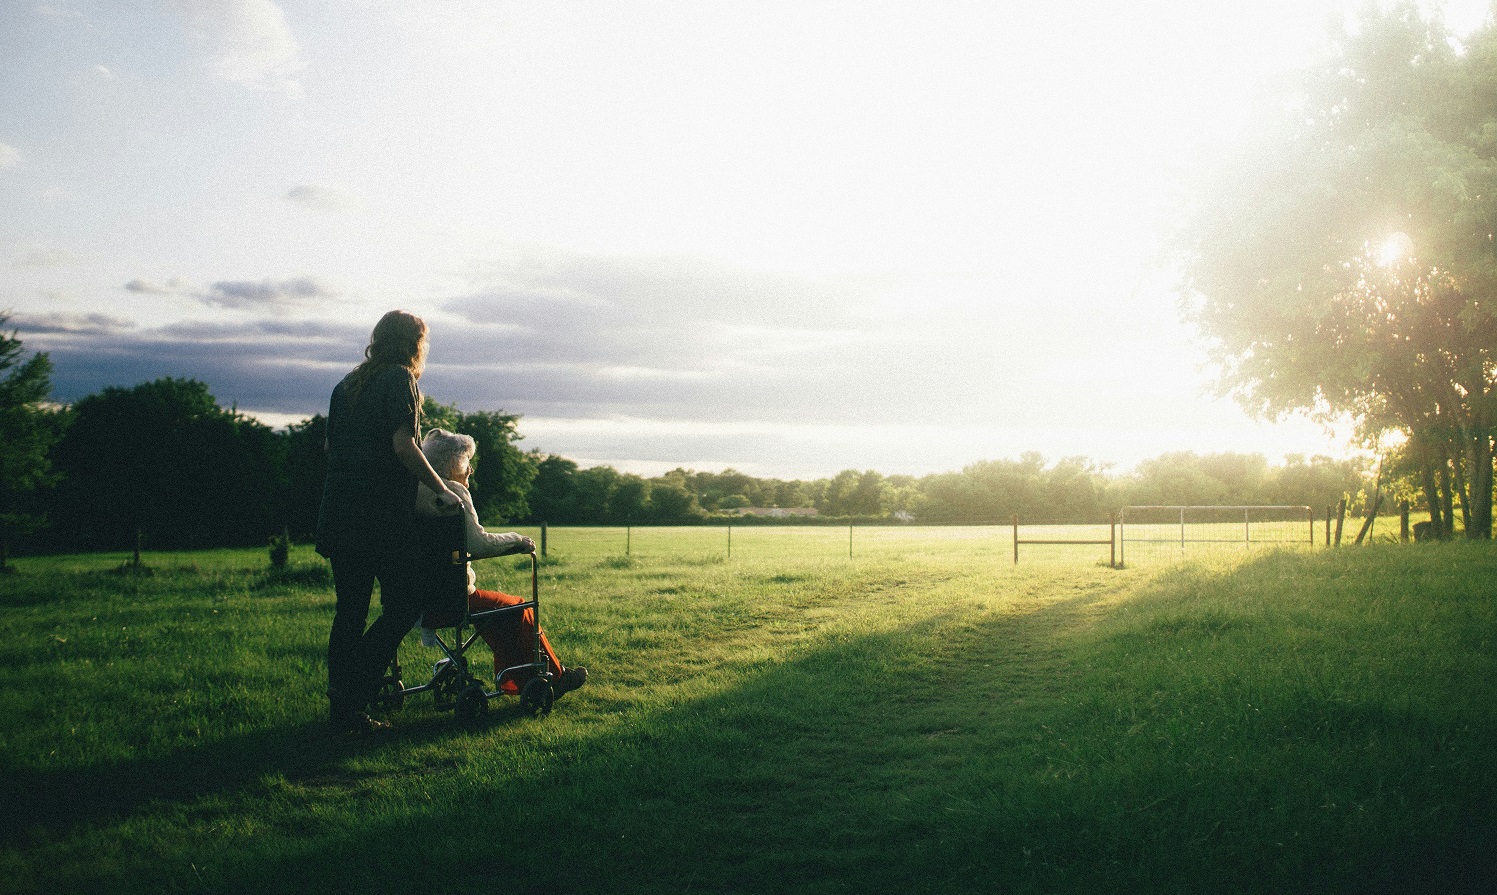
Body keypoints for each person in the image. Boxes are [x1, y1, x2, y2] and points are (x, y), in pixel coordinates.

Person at [315, 310, 464, 735]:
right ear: (415, 343)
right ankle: (353, 692)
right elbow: (404, 446)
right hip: (378, 516)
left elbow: (331, 447)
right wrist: (441, 489)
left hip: (339, 511)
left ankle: (342, 707)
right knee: (404, 605)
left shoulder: (345, 385)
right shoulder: (401, 380)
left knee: (350, 611)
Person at [415, 427, 587, 698]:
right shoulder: (453, 493)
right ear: (452, 463)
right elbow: (479, 544)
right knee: (518, 607)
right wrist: (517, 540)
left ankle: (517, 681)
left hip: (416, 598)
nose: (470, 470)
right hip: (453, 598)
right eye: (467, 462)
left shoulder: (415, 492)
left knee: (499, 612)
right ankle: (554, 676)